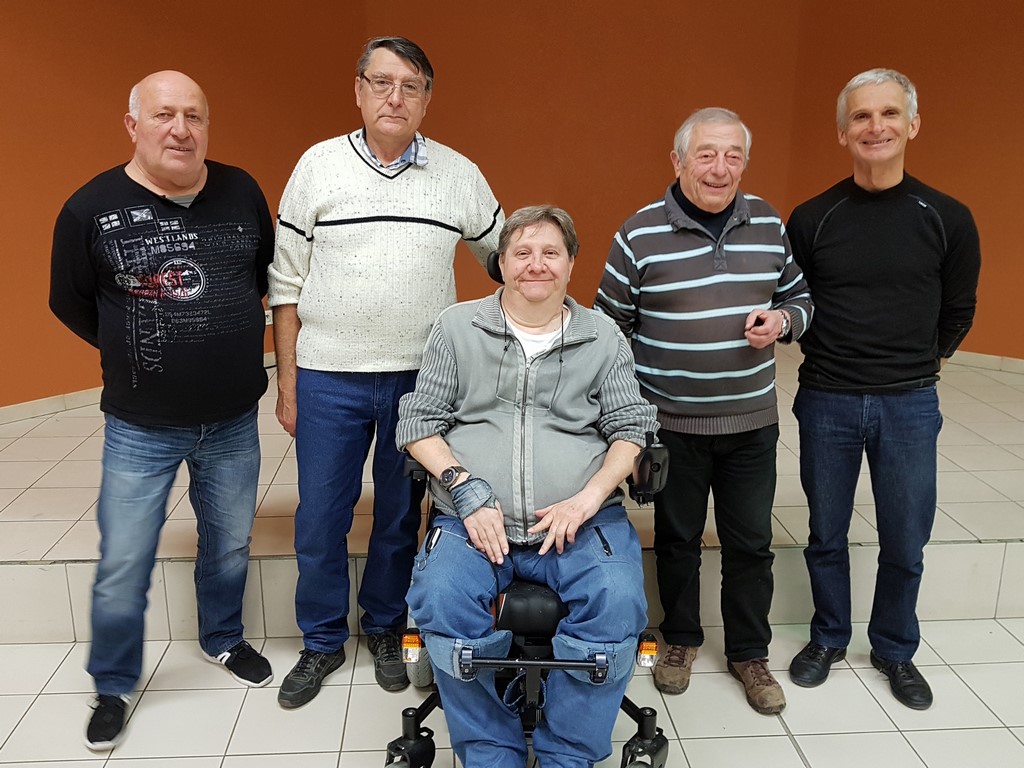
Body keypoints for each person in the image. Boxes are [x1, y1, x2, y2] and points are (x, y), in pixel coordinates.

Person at [269, 36, 503, 707]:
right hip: (328, 378)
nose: (395, 97)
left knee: (400, 516)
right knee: (321, 516)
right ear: (358, 90)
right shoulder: (317, 166)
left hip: (420, 384)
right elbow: (285, 284)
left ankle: (383, 626)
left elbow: (506, 257)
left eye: (411, 86)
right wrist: (288, 381)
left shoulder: (459, 174)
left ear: (428, 98)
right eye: (381, 82)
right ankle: (321, 640)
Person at [49, 70, 274, 751]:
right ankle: (113, 683)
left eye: (194, 116)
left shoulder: (242, 190)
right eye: (164, 115)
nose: (181, 129)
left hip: (233, 419)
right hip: (140, 427)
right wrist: (129, 347)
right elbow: (70, 302)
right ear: (133, 125)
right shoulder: (89, 209)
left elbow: (259, 278)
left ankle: (222, 638)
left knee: (229, 541)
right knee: (124, 559)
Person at [397, 205, 657, 768]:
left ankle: (568, 753)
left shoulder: (602, 336)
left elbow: (632, 429)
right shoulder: (457, 328)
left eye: (550, 253)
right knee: (441, 597)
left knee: (617, 601)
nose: (536, 265)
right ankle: (492, 751)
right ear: (502, 263)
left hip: (581, 522)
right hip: (470, 521)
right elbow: (417, 422)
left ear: (571, 264)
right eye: (522, 253)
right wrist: (465, 489)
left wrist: (588, 499)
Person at [595, 108, 813, 715]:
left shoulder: (769, 223)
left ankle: (750, 653)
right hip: (670, 427)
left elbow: (800, 297)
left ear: (745, 162)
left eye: (733, 155)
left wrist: (783, 321)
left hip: (751, 423)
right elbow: (607, 330)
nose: (720, 168)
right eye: (706, 154)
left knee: (752, 543)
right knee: (677, 539)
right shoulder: (638, 233)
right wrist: (626, 417)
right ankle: (681, 641)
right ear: (678, 161)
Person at [786, 68, 981, 710]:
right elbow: (796, 302)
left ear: (913, 125)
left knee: (905, 538)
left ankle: (895, 648)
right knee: (826, 532)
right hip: (828, 398)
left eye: (890, 114)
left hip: (909, 404)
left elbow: (959, 309)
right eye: (862, 116)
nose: (877, 127)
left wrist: (920, 365)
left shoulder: (947, 218)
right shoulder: (813, 218)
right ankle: (828, 638)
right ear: (843, 132)